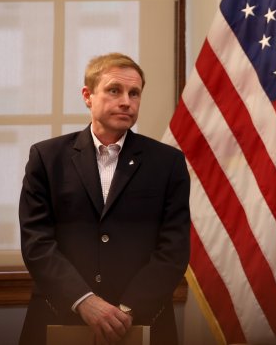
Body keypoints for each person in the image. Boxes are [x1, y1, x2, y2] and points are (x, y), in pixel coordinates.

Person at [18, 53, 191, 345]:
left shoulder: (168, 162)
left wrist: (125, 311)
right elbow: (37, 242)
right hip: (60, 313)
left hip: (142, 319)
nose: (126, 101)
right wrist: (84, 301)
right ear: (88, 96)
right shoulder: (47, 158)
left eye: (134, 93)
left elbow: (173, 249)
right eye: (114, 90)